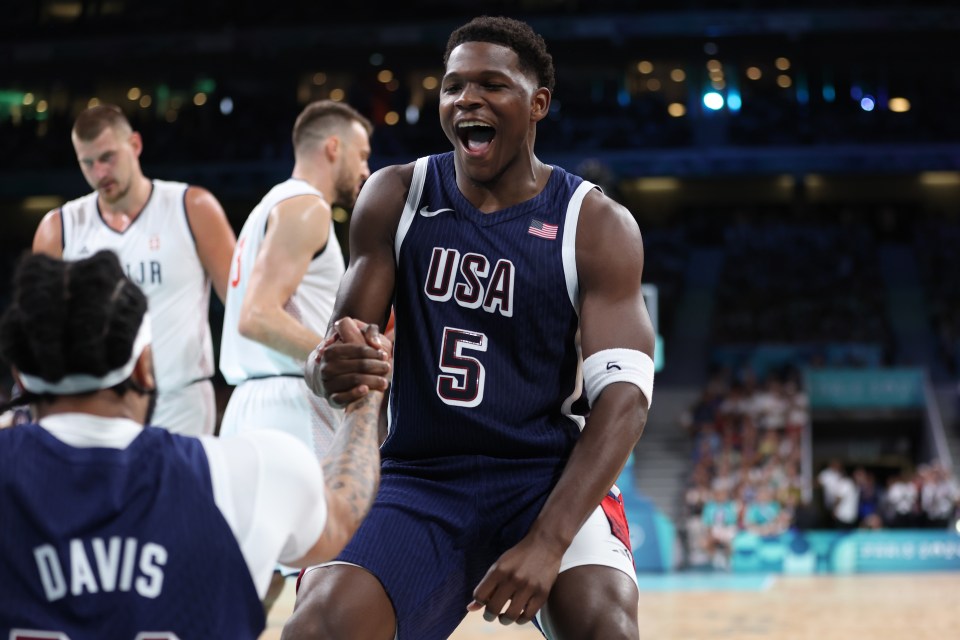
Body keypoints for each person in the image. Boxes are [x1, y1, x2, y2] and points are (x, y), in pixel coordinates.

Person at [284, 16, 655, 640]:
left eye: (492, 85)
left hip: (546, 477)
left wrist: (548, 541)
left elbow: (624, 401)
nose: (467, 100)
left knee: (605, 629)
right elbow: (337, 359)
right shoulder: (395, 196)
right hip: (420, 475)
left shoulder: (595, 224)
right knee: (317, 627)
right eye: (454, 86)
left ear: (537, 104)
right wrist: (326, 369)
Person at [0, 250, 384, 639]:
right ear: (144, 367)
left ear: (20, 374)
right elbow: (343, 511)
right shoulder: (250, 473)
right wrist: (364, 396)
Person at [32, 104, 236, 436]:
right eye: (87, 163)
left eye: (107, 158)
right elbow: (40, 329)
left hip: (181, 402)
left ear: (135, 145)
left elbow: (242, 306)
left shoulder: (192, 208)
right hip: (97, 407)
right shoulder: (59, 228)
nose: (99, 172)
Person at [219, 99, 372, 458]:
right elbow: (257, 316)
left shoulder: (270, 206)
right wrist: (340, 357)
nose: (366, 169)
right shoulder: (307, 206)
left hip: (251, 407)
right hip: (289, 407)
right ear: (334, 147)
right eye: (362, 155)